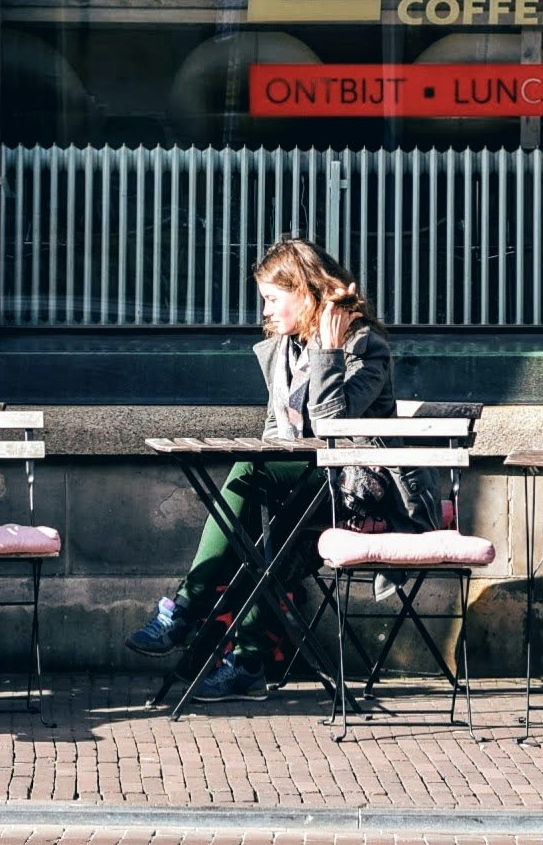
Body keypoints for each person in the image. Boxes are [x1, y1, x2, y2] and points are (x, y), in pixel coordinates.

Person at [124, 236, 424, 701]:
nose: (264, 311)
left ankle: (186, 607)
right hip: (303, 484)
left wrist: (328, 348)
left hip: (359, 485)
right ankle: (245, 659)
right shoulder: (284, 348)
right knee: (263, 525)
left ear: (305, 292)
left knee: (251, 473)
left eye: (271, 299)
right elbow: (275, 428)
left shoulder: (365, 346)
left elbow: (332, 426)